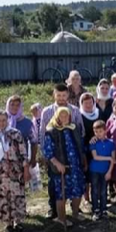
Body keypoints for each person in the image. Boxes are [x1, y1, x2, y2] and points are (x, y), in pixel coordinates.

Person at [39, 84, 85, 219]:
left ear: (68, 95)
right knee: (57, 188)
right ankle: (56, 212)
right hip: (57, 158)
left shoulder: (75, 110)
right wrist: (48, 158)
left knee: (76, 187)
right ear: (54, 95)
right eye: (58, 95)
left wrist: (82, 156)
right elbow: (42, 134)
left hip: (74, 160)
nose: (61, 98)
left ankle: (76, 212)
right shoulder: (47, 112)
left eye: (64, 95)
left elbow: (80, 132)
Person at [0, 110, 30, 232]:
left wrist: (26, 171)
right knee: (2, 198)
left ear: (8, 120)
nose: (1, 123)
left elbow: (23, 154)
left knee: (17, 196)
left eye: (3, 120)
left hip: (15, 173)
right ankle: (7, 223)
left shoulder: (15, 134)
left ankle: (18, 221)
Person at [43, 107, 87, 227]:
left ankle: (75, 213)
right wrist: (58, 164)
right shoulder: (51, 131)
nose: (64, 118)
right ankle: (61, 218)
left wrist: (83, 160)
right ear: (57, 117)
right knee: (61, 193)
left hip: (75, 166)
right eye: (61, 116)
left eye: (66, 116)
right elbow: (48, 152)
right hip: (62, 167)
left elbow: (80, 145)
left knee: (77, 190)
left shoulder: (74, 128)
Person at [89, 120, 115, 221]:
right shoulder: (93, 142)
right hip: (95, 170)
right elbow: (95, 157)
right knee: (95, 190)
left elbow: (114, 159)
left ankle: (103, 210)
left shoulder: (111, 143)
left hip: (105, 171)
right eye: (96, 132)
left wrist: (110, 172)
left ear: (105, 130)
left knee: (104, 191)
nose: (98, 134)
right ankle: (95, 210)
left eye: (100, 131)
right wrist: (108, 158)